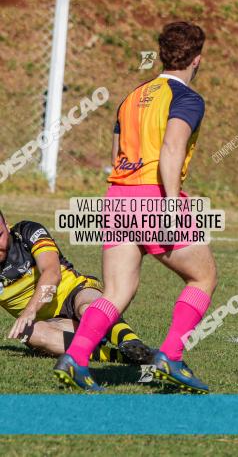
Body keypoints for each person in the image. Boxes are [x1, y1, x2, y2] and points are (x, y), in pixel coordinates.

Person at [53, 21, 218, 393]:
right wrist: (172, 204)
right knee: (203, 276)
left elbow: (116, 157)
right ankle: (171, 356)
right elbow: (171, 150)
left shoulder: (132, 98)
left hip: (117, 197)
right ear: (197, 59)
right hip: (153, 196)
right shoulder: (187, 98)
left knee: (117, 289)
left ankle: (76, 358)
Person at [0, 211, 151, 364]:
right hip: (55, 324)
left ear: (6, 224)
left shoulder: (27, 231)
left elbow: (52, 274)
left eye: (0, 235)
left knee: (87, 308)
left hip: (76, 292)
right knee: (29, 334)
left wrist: (30, 310)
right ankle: (121, 356)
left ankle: (133, 343)